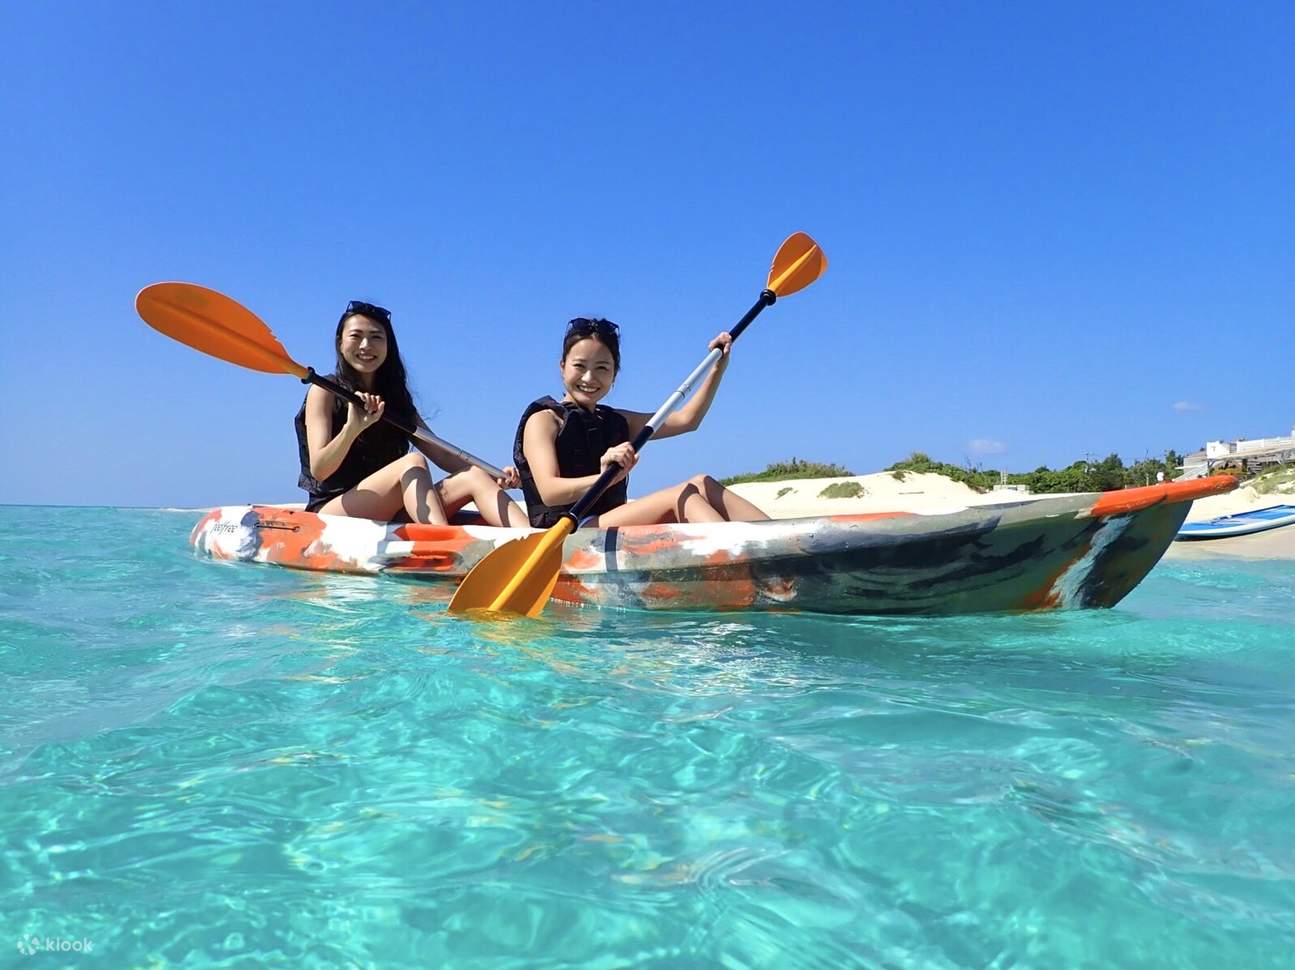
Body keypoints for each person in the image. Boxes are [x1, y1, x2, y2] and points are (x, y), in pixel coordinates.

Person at [514, 317, 769, 528]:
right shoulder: (544, 420)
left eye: (602, 368)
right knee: (681, 496)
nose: (589, 377)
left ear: (615, 374)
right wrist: (603, 478)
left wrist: (717, 369)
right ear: (562, 367)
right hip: (565, 529)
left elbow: (687, 420)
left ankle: (788, 545)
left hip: (604, 523)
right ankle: (741, 561)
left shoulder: (615, 420)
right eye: (579, 366)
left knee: (703, 483)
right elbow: (549, 491)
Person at [296, 300, 528, 527]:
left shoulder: (395, 399)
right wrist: (352, 428)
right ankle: (441, 546)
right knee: (412, 461)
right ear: (340, 343)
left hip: (390, 509)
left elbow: (444, 455)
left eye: (376, 337)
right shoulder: (324, 391)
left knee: (474, 475)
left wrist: (495, 474)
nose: (366, 345)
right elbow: (320, 470)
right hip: (334, 513)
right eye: (356, 336)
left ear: (389, 345)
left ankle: (540, 545)